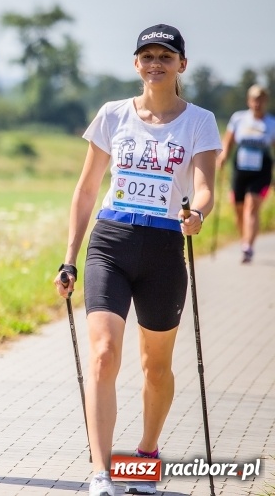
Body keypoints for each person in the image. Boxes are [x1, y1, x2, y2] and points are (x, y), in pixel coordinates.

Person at [54, 24, 221, 496]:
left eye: (165, 57)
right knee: (104, 355)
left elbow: (206, 186)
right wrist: (69, 257)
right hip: (112, 241)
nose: (155, 63)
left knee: (156, 367)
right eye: (146, 56)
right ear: (135, 64)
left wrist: (199, 213)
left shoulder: (200, 121)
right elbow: (86, 190)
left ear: (180, 65)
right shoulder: (112, 115)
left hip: (166, 248)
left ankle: (144, 458)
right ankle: (101, 471)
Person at [217, 84, 275, 263]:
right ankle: (244, 240)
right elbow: (229, 142)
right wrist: (223, 157)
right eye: (254, 99)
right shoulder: (239, 118)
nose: (257, 103)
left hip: (262, 169)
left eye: (261, 100)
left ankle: (248, 247)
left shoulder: (271, 123)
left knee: (252, 206)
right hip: (240, 168)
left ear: (266, 101)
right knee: (239, 209)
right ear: (249, 101)